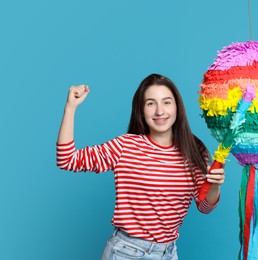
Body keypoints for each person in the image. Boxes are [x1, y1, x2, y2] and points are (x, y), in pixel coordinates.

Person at [56, 73, 225, 260]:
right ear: (141, 110)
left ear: (177, 107)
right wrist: (70, 109)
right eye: (151, 103)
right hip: (125, 252)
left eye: (167, 102)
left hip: (168, 253)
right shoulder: (125, 146)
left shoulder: (194, 150)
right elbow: (67, 159)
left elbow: (204, 206)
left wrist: (215, 186)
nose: (160, 111)